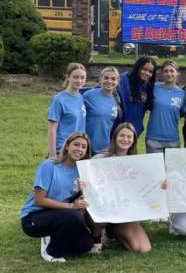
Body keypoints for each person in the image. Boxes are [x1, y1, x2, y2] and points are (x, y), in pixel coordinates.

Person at [20, 132, 94, 262]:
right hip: (33, 217)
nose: (79, 149)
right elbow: (40, 200)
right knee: (73, 215)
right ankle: (51, 252)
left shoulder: (81, 171)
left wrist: (81, 193)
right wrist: (72, 206)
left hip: (59, 214)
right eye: (76, 144)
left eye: (84, 147)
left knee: (86, 244)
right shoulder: (49, 165)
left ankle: (53, 235)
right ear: (67, 146)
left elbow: (76, 200)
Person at [93, 123, 151, 253]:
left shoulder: (138, 163)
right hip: (102, 210)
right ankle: (97, 237)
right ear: (115, 137)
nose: (125, 139)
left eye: (129, 137)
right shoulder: (99, 158)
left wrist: (161, 184)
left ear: (134, 140)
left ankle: (113, 232)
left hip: (125, 213)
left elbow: (147, 187)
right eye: (122, 135)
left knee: (143, 248)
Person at [145, 60, 186, 154]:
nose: (169, 73)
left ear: (177, 73)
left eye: (172, 71)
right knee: (155, 169)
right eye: (166, 71)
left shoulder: (182, 94)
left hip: (173, 140)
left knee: (171, 169)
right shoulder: (153, 88)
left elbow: (183, 114)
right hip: (153, 138)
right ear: (162, 73)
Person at [48, 63, 87, 158]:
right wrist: (53, 155)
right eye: (75, 77)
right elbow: (52, 129)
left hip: (78, 150)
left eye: (82, 78)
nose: (79, 80)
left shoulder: (80, 97)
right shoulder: (59, 99)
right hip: (63, 149)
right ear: (68, 77)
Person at [116, 56, 156, 138]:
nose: (146, 73)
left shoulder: (148, 87)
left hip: (134, 132)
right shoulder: (123, 79)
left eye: (150, 71)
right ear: (138, 67)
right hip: (118, 130)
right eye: (144, 69)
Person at [83, 67, 121, 155]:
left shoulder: (116, 99)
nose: (109, 81)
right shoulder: (89, 95)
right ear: (100, 79)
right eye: (106, 78)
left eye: (113, 79)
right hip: (86, 147)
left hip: (104, 149)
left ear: (118, 81)